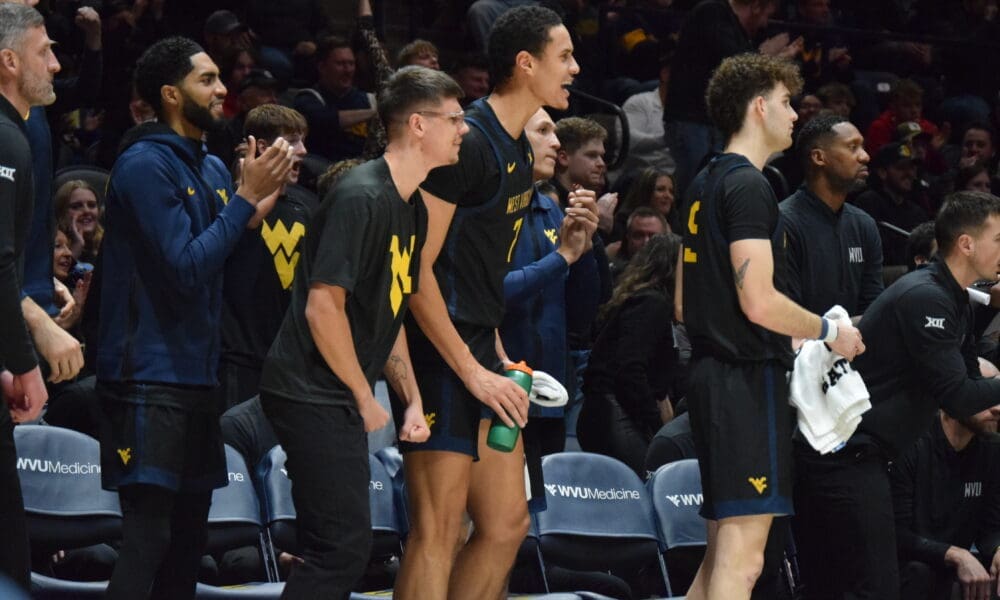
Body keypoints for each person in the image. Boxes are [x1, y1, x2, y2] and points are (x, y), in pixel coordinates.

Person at [392, 7, 581, 599]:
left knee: (506, 525)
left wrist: (497, 358)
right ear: (526, 64)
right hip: (436, 350)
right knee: (439, 531)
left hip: (478, 347)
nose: (575, 68)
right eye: (565, 56)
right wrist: (472, 371)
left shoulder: (521, 154)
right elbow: (417, 273)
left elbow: (479, 273)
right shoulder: (466, 144)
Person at [96, 36, 293, 600]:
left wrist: (249, 216)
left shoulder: (209, 166)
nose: (222, 88)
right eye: (206, 80)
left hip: (198, 377)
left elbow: (219, 268)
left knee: (190, 540)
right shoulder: (142, 164)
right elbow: (183, 269)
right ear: (170, 94)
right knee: (149, 536)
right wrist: (241, 203)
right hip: (145, 377)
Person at [260, 65, 454, 599]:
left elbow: (386, 314)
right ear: (418, 124)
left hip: (332, 393)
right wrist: (362, 396)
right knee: (340, 550)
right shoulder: (360, 195)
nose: (463, 129)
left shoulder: (410, 206)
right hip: (307, 388)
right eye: (454, 118)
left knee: (343, 549)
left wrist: (409, 399)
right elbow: (323, 309)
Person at [677, 53, 863, 600]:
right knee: (743, 563)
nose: (793, 114)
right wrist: (829, 330)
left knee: (717, 560)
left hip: (710, 379)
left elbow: (684, 306)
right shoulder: (750, 186)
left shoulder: (703, 180)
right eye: (785, 102)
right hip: (742, 384)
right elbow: (759, 302)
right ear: (759, 106)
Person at [793, 191, 1000, 599]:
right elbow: (959, 396)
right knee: (872, 588)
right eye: (999, 239)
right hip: (841, 459)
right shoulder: (926, 297)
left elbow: (973, 375)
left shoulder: (953, 298)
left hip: (863, 459)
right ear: (966, 243)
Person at [0, 3, 55, 590]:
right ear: (9, 62)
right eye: (45, 52)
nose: (57, 64)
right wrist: (23, 363)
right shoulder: (5, 141)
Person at [220, 104, 314, 410]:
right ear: (262, 146)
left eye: (303, 141)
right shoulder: (226, 199)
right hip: (238, 357)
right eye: (293, 141)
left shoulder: (308, 207)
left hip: (289, 362)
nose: (303, 151)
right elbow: (249, 220)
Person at [578, 233, 683, 476]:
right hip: (615, 415)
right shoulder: (653, 303)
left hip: (604, 411)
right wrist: (656, 421)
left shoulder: (643, 300)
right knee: (646, 488)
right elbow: (629, 369)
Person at [890, 403, 1000, 600]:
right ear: (956, 396)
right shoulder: (910, 442)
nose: (998, 408)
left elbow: (990, 528)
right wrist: (956, 555)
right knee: (919, 573)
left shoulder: (992, 449)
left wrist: (998, 549)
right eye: (986, 395)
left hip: (957, 565)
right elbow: (896, 534)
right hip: (909, 565)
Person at [781, 114, 883, 318]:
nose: (865, 156)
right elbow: (783, 314)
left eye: (862, 147)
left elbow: (873, 310)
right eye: (852, 147)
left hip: (853, 346)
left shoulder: (864, 224)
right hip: (799, 347)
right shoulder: (783, 222)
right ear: (819, 158)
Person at [293, 36, 376, 162]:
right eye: (340, 64)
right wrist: (374, 113)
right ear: (322, 67)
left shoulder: (369, 100)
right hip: (321, 170)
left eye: (351, 64)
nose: (348, 70)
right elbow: (325, 120)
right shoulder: (307, 98)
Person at [53, 180, 103, 263]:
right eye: (76, 207)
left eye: (92, 205)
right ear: (61, 213)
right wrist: (77, 246)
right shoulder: (52, 247)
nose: (87, 211)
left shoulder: (108, 243)